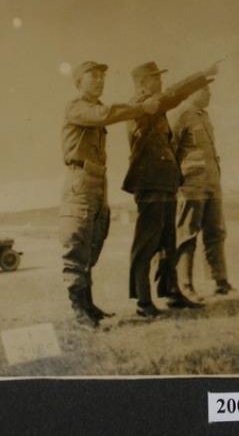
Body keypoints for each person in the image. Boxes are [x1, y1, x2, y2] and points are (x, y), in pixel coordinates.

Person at [60, 60, 159, 328]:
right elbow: (105, 114)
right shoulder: (76, 107)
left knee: (92, 242)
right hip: (80, 180)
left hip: (96, 180)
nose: (100, 80)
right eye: (93, 76)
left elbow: (105, 113)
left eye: (102, 77)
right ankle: (79, 310)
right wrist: (140, 107)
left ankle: (88, 306)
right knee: (77, 242)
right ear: (79, 82)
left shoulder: (94, 109)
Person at [122, 60, 220, 318]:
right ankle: (143, 301)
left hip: (164, 182)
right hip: (150, 183)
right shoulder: (140, 105)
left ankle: (172, 293)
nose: (160, 81)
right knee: (147, 242)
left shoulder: (155, 107)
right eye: (155, 77)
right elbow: (172, 95)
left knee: (168, 241)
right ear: (142, 83)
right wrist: (201, 75)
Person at [172, 86, 232, 303]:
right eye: (204, 90)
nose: (209, 94)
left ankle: (221, 283)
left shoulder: (203, 116)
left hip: (211, 184)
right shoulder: (181, 115)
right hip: (191, 186)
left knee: (216, 233)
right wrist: (179, 183)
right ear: (192, 92)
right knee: (187, 235)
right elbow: (171, 150)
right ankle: (186, 286)